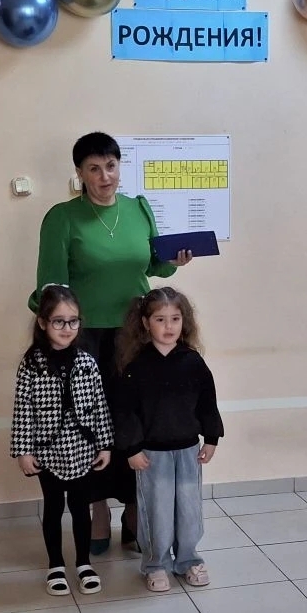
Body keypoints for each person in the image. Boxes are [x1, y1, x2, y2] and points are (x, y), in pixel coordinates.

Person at [29, 132, 192, 554]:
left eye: (111, 166)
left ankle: (134, 511)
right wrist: (55, 329)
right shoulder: (63, 217)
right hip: (84, 338)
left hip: (135, 333)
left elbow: (155, 266)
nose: (105, 176)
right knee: (91, 425)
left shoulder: (138, 209)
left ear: (120, 166)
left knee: (136, 420)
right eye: (94, 168)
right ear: (80, 173)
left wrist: (173, 260)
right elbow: (50, 284)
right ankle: (97, 510)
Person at [113, 287, 223, 591]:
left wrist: (211, 438)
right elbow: (126, 412)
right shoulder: (136, 366)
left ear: (184, 322)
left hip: (188, 450)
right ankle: (156, 563)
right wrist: (132, 448)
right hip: (151, 455)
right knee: (157, 511)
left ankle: (188, 560)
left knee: (189, 509)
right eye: (160, 319)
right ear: (146, 323)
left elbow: (207, 403)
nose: (169, 326)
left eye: (175, 318)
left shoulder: (193, 362)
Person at [11, 285, 114, 596]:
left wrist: (105, 444)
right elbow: (23, 409)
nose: (67, 328)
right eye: (59, 321)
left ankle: (83, 562)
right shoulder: (32, 365)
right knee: (54, 507)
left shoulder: (87, 362)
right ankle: (55, 564)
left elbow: (99, 405)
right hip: (48, 451)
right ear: (43, 322)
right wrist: (23, 450)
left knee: (81, 508)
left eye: (73, 321)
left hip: (82, 449)